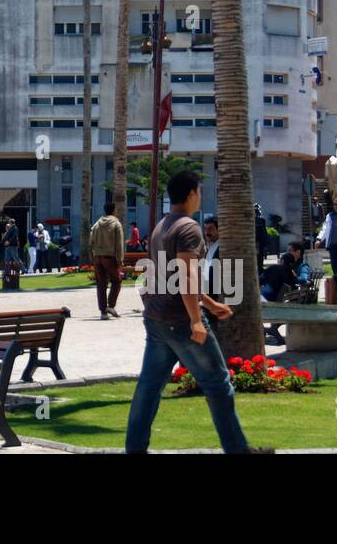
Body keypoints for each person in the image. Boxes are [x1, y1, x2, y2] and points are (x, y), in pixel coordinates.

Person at [126, 170, 250, 454]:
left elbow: (169, 274)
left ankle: (134, 450)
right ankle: (237, 450)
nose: (200, 197)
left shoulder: (162, 226)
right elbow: (185, 275)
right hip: (180, 320)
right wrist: (197, 319)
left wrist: (209, 303)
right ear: (192, 193)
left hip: (157, 319)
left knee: (149, 387)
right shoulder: (189, 227)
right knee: (218, 384)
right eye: (200, 191)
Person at [89, 201, 125, 319]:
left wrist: (92, 257)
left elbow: (91, 242)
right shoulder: (116, 224)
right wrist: (120, 261)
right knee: (117, 281)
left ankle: (103, 312)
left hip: (97, 257)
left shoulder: (96, 224)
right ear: (114, 210)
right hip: (109, 257)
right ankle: (111, 305)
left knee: (101, 284)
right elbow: (119, 244)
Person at [316, 193, 337, 305]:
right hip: (333, 246)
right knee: (336, 270)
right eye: (335, 204)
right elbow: (325, 228)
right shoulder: (330, 216)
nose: (336, 206)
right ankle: (336, 296)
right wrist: (319, 239)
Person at [200, 216, 222, 298]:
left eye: (210, 228)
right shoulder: (209, 247)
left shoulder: (222, 249)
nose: (206, 232)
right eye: (205, 228)